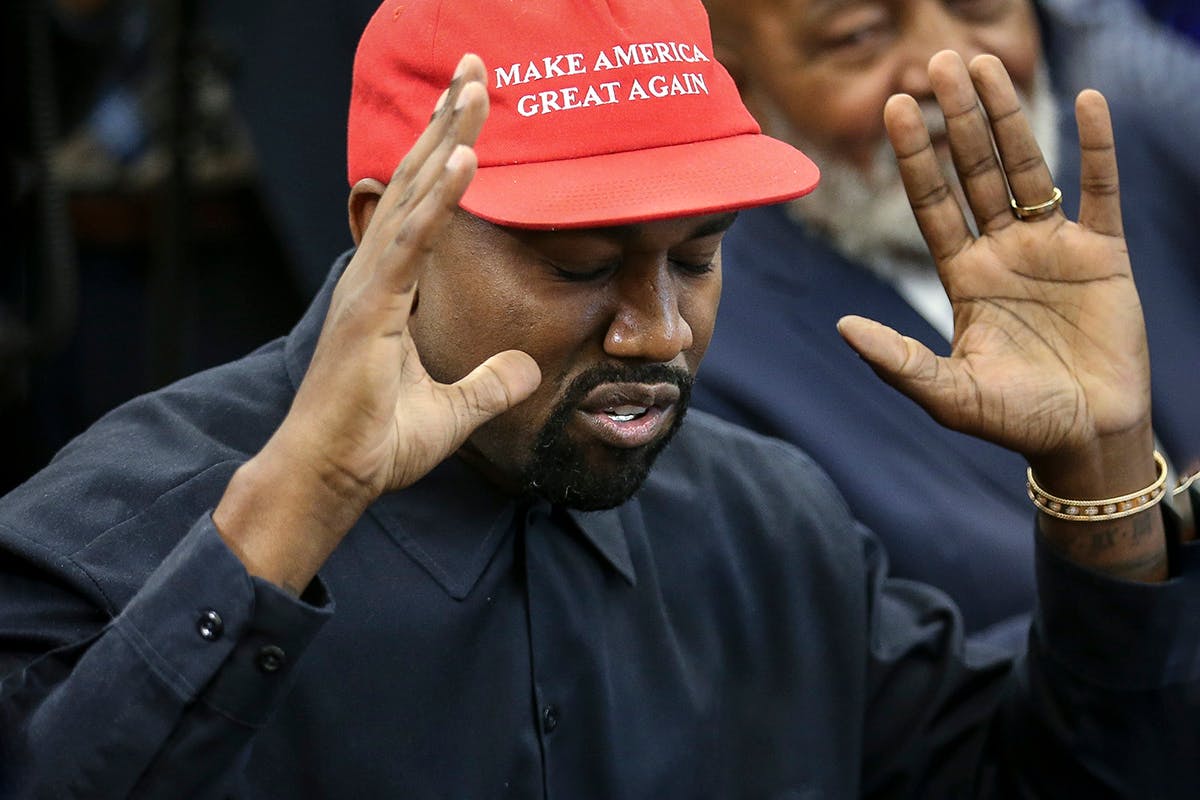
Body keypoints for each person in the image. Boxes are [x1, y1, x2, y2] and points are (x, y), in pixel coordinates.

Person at [2, 0, 1198, 796]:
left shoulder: (771, 527)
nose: (658, 329)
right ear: (388, 234)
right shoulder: (111, 532)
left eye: (697, 255)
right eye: (577, 265)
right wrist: (290, 519)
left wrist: (1101, 480)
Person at [693, 0, 1200, 649]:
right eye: (860, 36)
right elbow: (876, 702)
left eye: (982, 8)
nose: (947, 64)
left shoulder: (1138, 159)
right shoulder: (701, 342)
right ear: (736, 83)